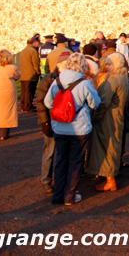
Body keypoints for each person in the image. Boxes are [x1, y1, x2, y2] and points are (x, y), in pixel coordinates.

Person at [44, 53, 102, 205]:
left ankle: (57, 195)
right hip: (80, 128)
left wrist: (60, 109)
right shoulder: (84, 83)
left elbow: (48, 102)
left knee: (61, 160)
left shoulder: (57, 81)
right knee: (76, 162)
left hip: (60, 127)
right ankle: (70, 195)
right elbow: (95, 103)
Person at [87, 53, 129, 192]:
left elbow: (103, 103)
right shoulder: (124, 78)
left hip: (108, 118)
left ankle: (110, 179)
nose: (107, 66)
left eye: (110, 64)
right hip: (117, 116)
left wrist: (95, 118)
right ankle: (109, 175)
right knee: (113, 145)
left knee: (107, 146)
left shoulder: (112, 80)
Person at [34, 52, 69, 194]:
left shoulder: (71, 79)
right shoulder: (49, 79)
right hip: (51, 119)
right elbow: (41, 101)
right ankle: (46, 180)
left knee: (63, 152)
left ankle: (62, 179)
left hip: (65, 120)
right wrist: (44, 123)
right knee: (49, 151)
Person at [0, 50, 21, 140]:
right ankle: (3, 134)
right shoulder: (12, 68)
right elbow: (18, 76)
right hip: (8, 91)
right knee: (7, 111)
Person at [19, 37, 41, 112]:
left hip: (23, 74)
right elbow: (36, 63)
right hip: (30, 75)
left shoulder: (23, 51)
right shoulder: (33, 51)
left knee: (24, 91)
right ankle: (28, 106)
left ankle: (23, 106)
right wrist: (38, 71)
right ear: (34, 43)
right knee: (29, 91)